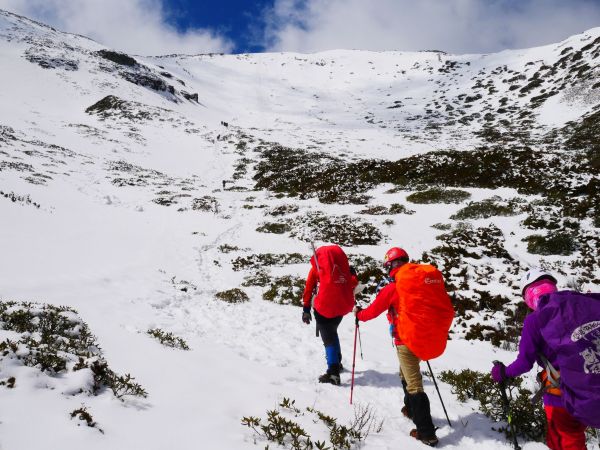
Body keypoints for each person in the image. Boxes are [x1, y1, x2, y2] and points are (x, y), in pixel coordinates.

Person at [491, 268, 588, 450]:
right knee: (575, 435)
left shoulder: (535, 320)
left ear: (530, 296)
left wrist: (502, 372)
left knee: (565, 440)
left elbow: (524, 363)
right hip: (591, 385)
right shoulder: (577, 308)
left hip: (562, 393)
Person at [356, 247, 441, 447]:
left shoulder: (394, 287)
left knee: (414, 384)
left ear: (392, 265)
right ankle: (410, 409)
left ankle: (427, 433)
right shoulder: (422, 282)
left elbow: (372, 311)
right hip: (425, 337)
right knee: (405, 374)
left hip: (406, 341)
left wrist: (358, 314)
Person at [302, 244, 358, 385]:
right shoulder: (343, 269)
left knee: (328, 338)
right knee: (332, 333)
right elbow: (352, 284)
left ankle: (333, 373)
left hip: (323, 309)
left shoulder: (317, 270)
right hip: (341, 309)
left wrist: (306, 309)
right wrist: (353, 275)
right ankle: (337, 363)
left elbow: (309, 289)